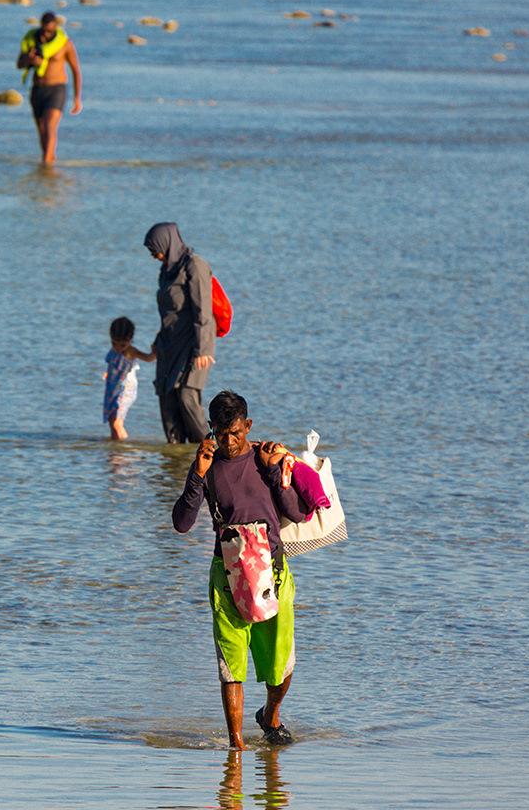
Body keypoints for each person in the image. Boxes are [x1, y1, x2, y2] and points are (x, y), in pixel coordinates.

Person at [172, 390, 304, 749]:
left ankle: (270, 715)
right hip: (227, 578)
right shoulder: (208, 466)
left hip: (273, 574)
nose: (228, 442)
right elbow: (182, 524)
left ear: (247, 426)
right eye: (220, 433)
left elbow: (298, 512)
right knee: (231, 666)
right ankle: (237, 745)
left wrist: (276, 471)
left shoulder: (265, 460)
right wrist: (196, 476)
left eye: (235, 432)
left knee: (281, 665)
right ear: (210, 429)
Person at [144, 221, 216, 441]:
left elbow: (203, 309)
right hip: (168, 344)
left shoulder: (195, 266)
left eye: (155, 250)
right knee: (167, 401)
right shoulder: (166, 271)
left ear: (167, 244)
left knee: (187, 397)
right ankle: (175, 464)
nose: (153, 255)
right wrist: (158, 340)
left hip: (194, 344)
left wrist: (202, 349)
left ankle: (209, 456)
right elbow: (168, 313)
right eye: (150, 251)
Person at [16, 11, 82, 163]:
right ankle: (49, 164)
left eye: (49, 31)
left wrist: (77, 98)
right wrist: (30, 60)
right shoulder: (32, 41)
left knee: (50, 127)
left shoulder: (65, 44)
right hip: (38, 90)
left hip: (56, 90)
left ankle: (45, 165)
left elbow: (76, 71)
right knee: (42, 132)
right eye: (43, 30)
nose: (46, 34)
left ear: (56, 27)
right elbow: (19, 64)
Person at [102, 316, 152, 440]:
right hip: (112, 387)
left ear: (130, 340)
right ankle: (115, 449)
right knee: (111, 420)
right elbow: (114, 364)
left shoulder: (130, 351)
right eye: (114, 343)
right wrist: (108, 373)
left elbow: (148, 358)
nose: (118, 348)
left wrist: (155, 351)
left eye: (122, 345)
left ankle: (120, 448)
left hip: (125, 389)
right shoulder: (115, 350)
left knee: (116, 421)